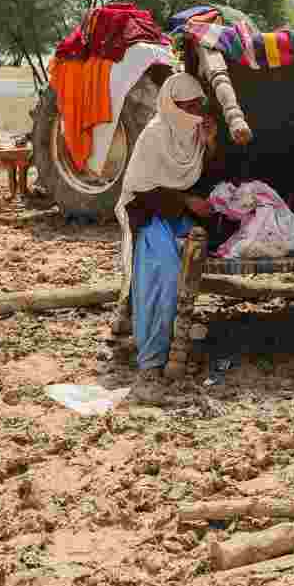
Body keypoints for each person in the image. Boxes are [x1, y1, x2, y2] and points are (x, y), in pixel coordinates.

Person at [115, 72, 219, 403]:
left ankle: (176, 341)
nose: (195, 113)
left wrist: (211, 145)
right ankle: (152, 357)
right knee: (163, 270)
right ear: (172, 106)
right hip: (147, 212)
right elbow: (143, 191)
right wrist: (186, 202)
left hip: (176, 214)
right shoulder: (155, 135)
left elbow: (203, 179)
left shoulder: (195, 134)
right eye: (188, 107)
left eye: (198, 106)